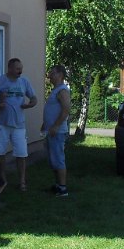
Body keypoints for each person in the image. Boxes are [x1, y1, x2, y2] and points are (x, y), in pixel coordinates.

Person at [0, 58, 38, 192]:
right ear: (10, 68)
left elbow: (34, 98)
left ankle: (22, 182)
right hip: (2, 123)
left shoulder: (24, 81)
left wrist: (30, 104)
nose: (20, 71)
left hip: (19, 125)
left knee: (21, 154)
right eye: (18, 68)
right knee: (0, 154)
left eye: (21, 68)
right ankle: (3, 180)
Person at [41, 65, 71, 197]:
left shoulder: (62, 91)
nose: (49, 76)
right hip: (51, 130)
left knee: (58, 159)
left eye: (52, 73)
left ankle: (63, 189)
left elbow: (66, 110)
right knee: (53, 159)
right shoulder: (56, 90)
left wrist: (56, 126)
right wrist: (45, 124)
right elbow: (53, 110)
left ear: (60, 75)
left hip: (57, 132)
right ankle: (58, 185)